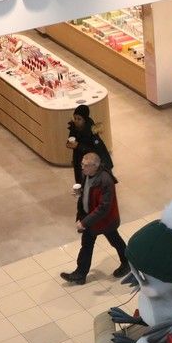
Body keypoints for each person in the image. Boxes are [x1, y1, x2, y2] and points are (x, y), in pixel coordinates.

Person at [61, 152, 130, 285]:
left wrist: (84, 222)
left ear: (95, 166)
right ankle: (80, 274)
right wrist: (80, 194)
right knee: (88, 244)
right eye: (82, 164)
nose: (82, 167)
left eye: (86, 165)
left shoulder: (105, 180)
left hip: (104, 220)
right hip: (92, 218)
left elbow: (104, 207)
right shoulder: (86, 175)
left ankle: (127, 262)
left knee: (114, 240)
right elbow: (88, 194)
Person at [67, 104, 113, 187]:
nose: (76, 121)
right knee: (80, 178)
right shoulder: (74, 127)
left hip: (91, 161)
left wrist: (78, 146)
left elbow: (95, 151)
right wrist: (69, 143)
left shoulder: (92, 131)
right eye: (75, 118)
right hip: (79, 158)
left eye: (79, 119)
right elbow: (70, 139)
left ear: (85, 120)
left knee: (90, 182)